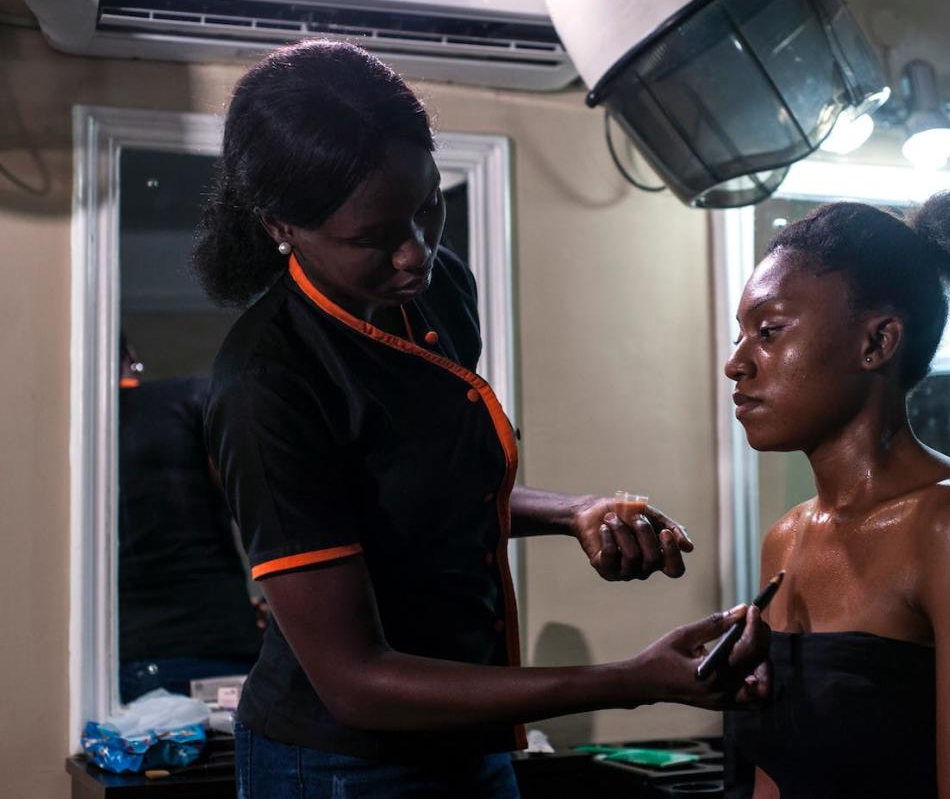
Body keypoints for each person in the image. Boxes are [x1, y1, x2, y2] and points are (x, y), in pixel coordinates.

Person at [192, 40, 769, 798]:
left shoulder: (435, 293)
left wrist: (575, 512)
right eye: (373, 237)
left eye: (427, 206)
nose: (415, 254)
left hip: (465, 737)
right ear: (281, 225)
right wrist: (629, 680)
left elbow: (422, 495)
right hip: (340, 764)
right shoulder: (267, 384)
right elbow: (356, 680)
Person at [723, 194, 950, 798]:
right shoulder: (785, 541)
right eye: (740, 336)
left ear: (877, 343)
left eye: (768, 332)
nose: (736, 364)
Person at [116, 334, 262, 703]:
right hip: (217, 642)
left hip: (128, 656)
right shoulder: (186, 400)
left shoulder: (73, 436)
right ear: (129, 359)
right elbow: (258, 502)